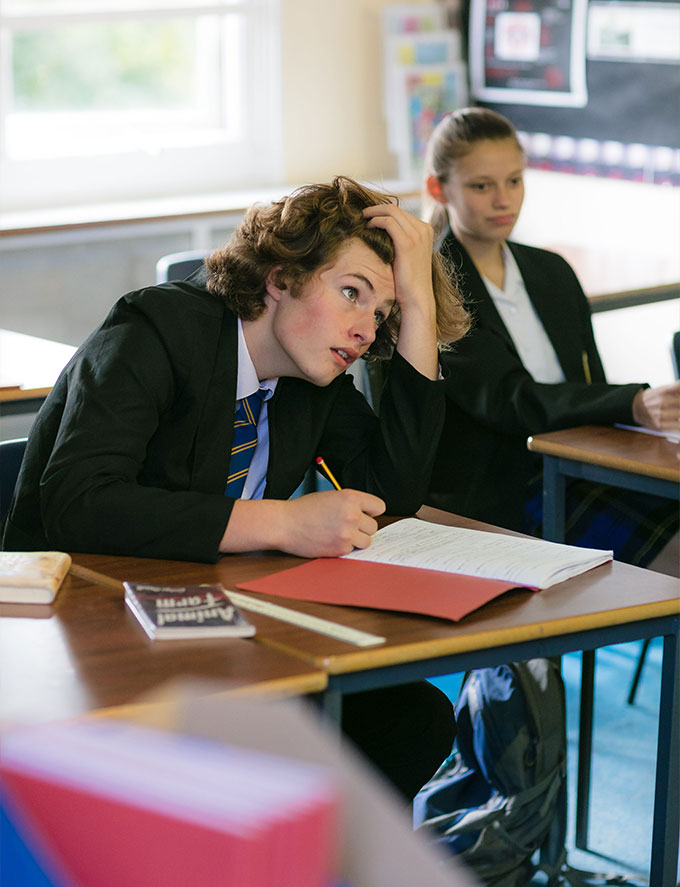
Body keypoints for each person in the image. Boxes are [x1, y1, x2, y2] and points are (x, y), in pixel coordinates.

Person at [2, 175, 469, 800]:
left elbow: (393, 491)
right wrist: (282, 523)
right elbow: (79, 502)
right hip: (86, 634)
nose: (364, 329)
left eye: (383, 313)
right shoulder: (156, 329)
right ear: (280, 279)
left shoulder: (314, 376)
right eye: (351, 293)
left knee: (413, 720)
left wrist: (419, 302)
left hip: (216, 625)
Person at [423, 107, 679, 571]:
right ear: (439, 189)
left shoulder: (550, 270)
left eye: (515, 181)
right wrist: (633, 402)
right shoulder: (434, 285)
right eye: (482, 186)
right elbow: (511, 401)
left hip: (581, 464)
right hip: (502, 486)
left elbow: (588, 382)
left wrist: (634, 410)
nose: (504, 200)